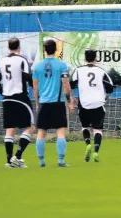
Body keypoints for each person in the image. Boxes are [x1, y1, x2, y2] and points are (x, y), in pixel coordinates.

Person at [0, 37, 35, 168]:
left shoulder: (1, 61)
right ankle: (18, 156)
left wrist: (3, 92)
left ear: (8, 47)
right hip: (20, 98)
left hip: (7, 99)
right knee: (31, 127)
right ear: (19, 47)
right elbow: (29, 77)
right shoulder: (22, 60)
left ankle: (9, 160)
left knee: (10, 130)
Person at [33, 39, 75, 167]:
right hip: (57, 103)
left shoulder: (37, 67)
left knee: (41, 132)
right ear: (56, 50)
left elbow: (35, 87)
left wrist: (37, 103)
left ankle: (41, 161)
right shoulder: (61, 65)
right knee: (61, 132)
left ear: (44, 50)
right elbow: (66, 84)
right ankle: (61, 161)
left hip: (44, 103)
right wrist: (70, 101)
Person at [70, 50, 114, 162]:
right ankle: (95, 151)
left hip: (84, 104)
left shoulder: (78, 70)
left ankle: (88, 144)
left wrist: (72, 98)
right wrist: (104, 94)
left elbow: (70, 84)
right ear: (96, 60)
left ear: (84, 60)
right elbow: (110, 88)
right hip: (98, 104)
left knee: (85, 127)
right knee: (98, 130)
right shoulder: (101, 71)